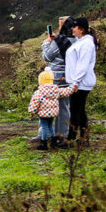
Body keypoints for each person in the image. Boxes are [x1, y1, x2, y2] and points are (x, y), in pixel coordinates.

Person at [41, 16, 75, 148]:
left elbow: (47, 56)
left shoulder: (59, 41)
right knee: (64, 107)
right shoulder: (76, 40)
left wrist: (46, 44)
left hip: (55, 78)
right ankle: (62, 135)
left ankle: (46, 134)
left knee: (47, 105)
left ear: (62, 26)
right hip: (69, 77)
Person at [65, 17, 98, 144]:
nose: (73, 29)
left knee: (76, 110)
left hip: (81, 83)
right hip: (79, 82)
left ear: (82, 29)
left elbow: (82, 65)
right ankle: (83, 138)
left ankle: (72, 137)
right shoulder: (81, 42)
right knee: (79, 110)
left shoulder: (86, 44)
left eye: (75, 27)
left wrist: (75, 82)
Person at [28, 68, 74, 150]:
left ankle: (44, 143)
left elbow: (34, 103)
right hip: (53, 113)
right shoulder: (56, 90)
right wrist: (72, 87)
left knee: (44, 127)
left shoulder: (39, 92)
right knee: (50, 126)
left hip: (43, 114)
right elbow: (66, 91)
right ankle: (53, 141)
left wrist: (32, 112)